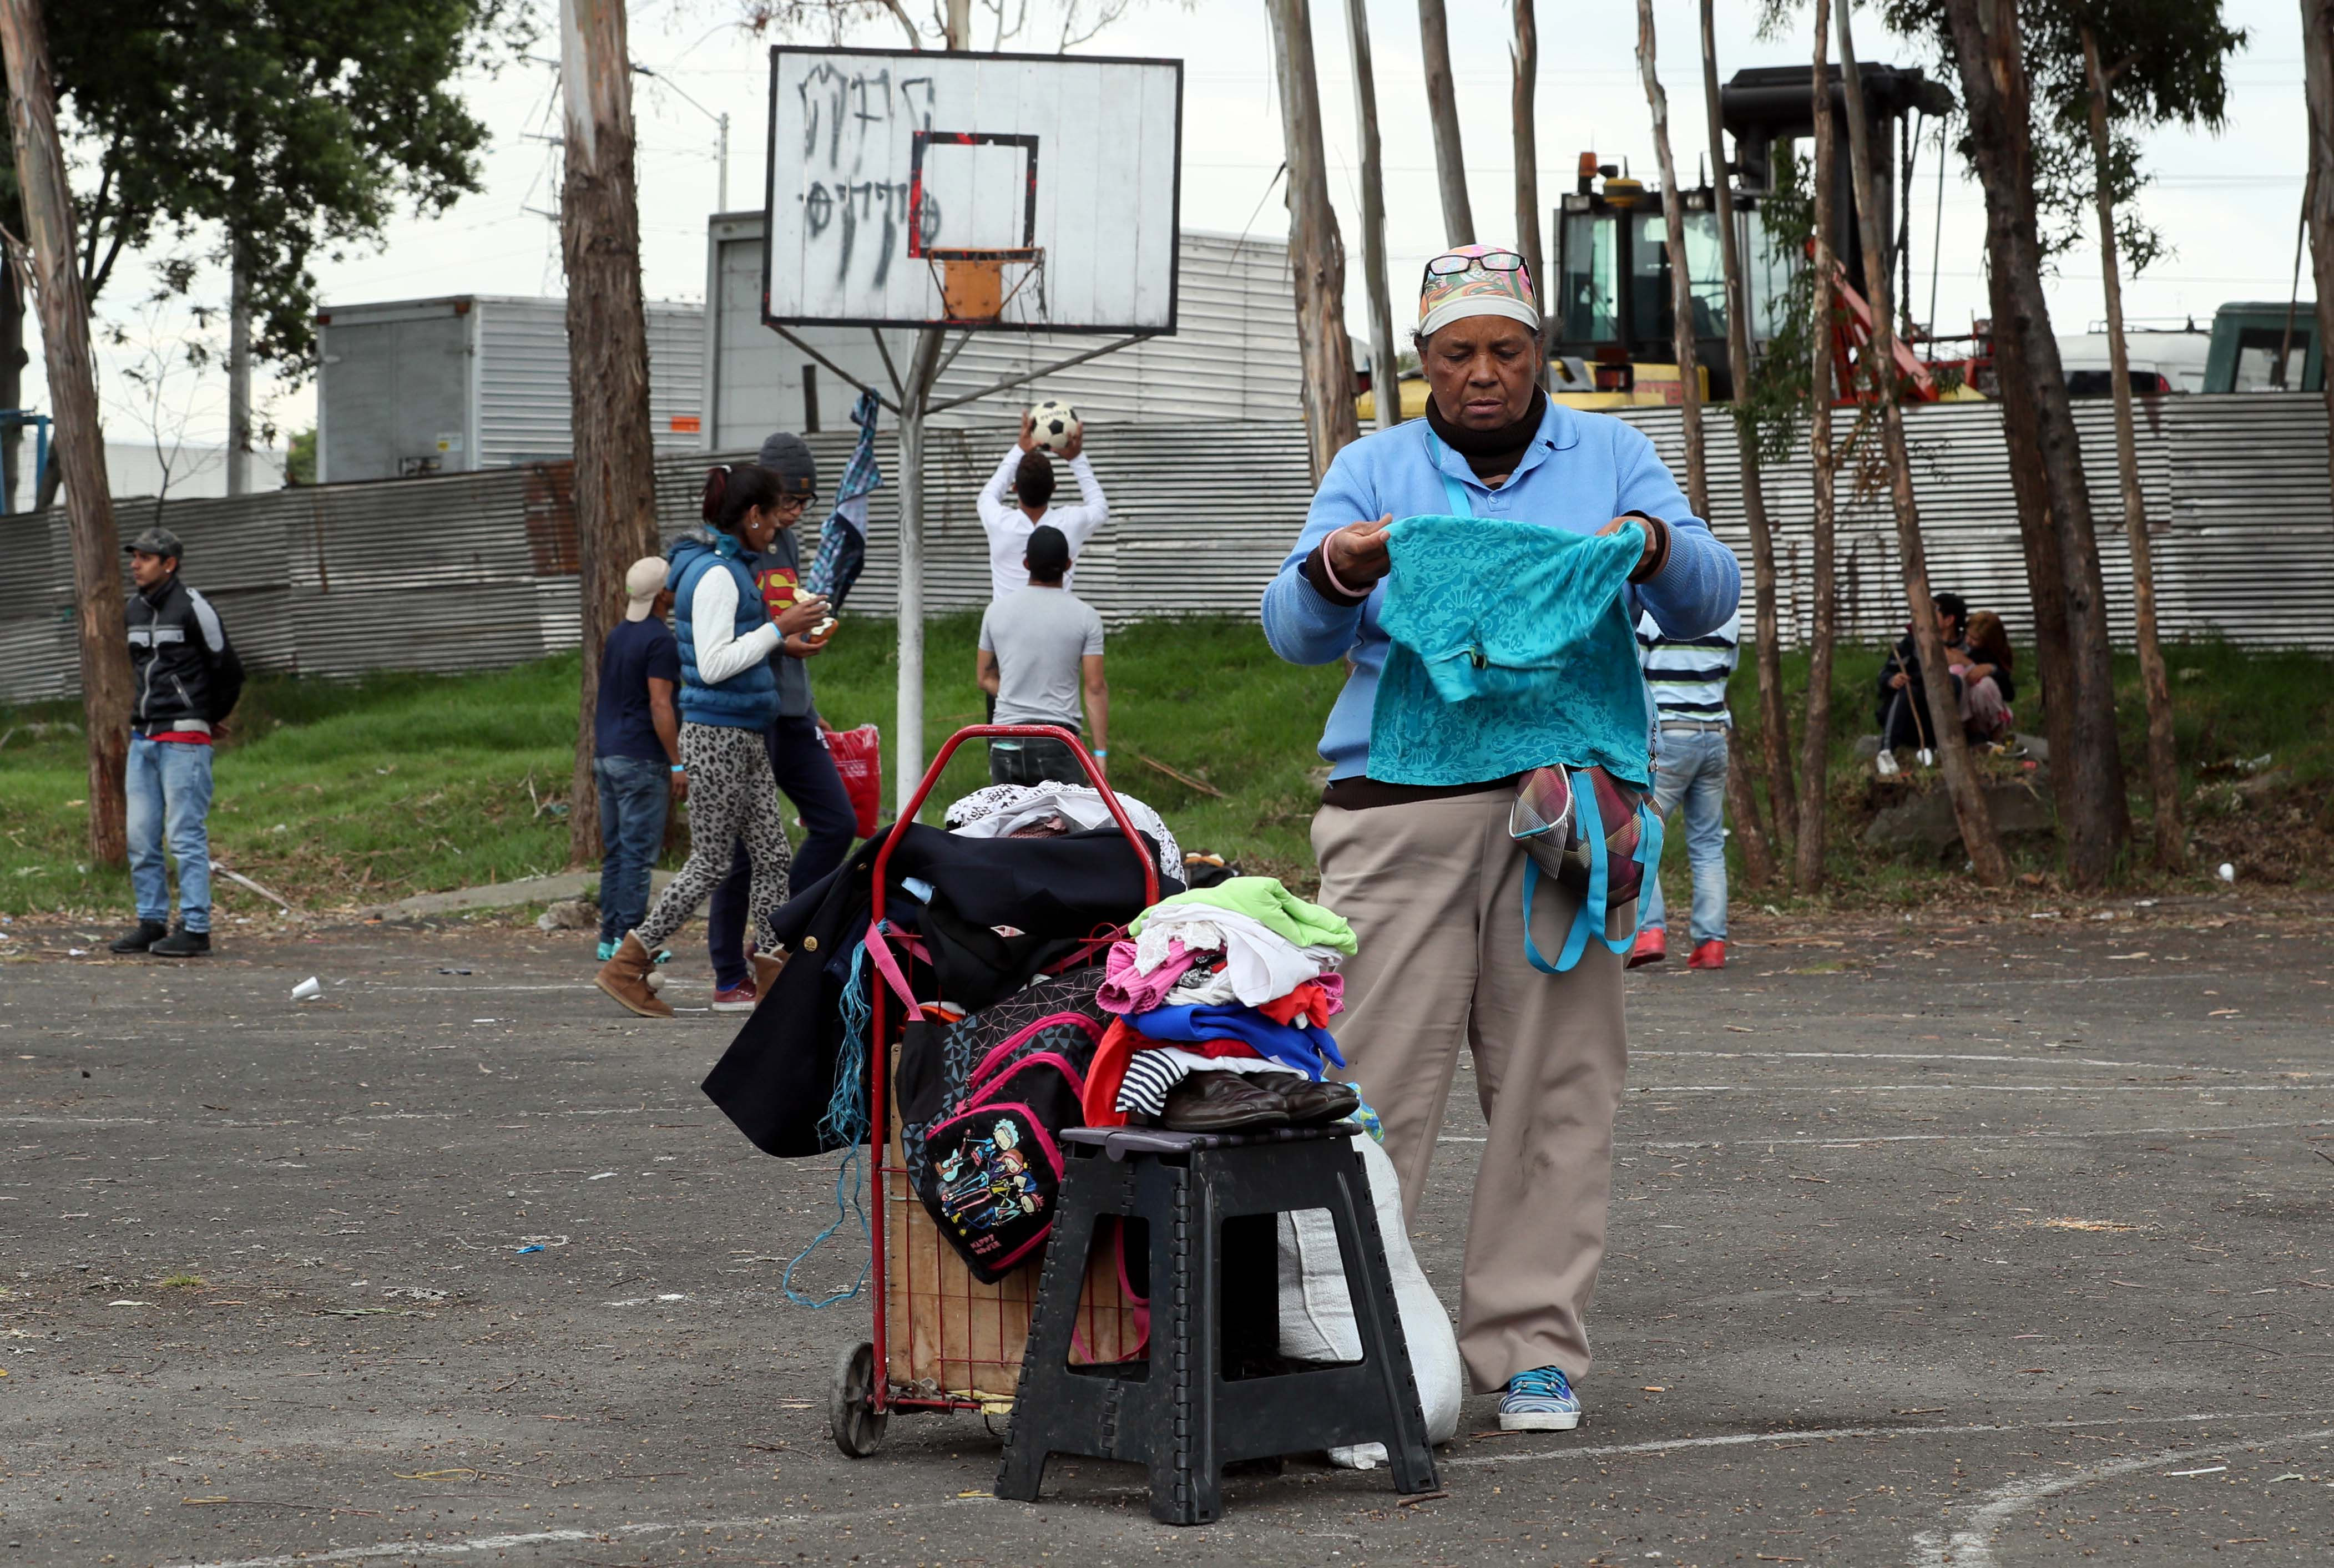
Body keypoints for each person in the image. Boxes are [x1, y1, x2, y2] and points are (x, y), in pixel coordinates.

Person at [1260, 243, 1739, 1434]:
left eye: (1508, 351)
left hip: (1565, 812)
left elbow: (1712, 593)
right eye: (1459, 352)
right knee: (1365, 1090)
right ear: (1422, 361)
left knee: (1557, 1084)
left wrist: (1658, 545)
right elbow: (1289, 631)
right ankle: (1347, 1350)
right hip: (1397, 807)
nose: (1484, 374)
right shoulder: (1374, 467)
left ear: (1541, 355)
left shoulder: (1614, 457)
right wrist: (1338, 567)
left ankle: (1531, 1350)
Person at [593, 464, 830, 1019]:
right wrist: (779, 628)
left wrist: (779, 641)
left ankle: (773, 970)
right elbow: (717, 663)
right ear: (752, 516)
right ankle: (629, 962)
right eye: (773, 516)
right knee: (710, 863)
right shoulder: (719, 575)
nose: (778, 528)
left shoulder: (724, 568)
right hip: (717, 736)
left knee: (773, 855)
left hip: (739, 731)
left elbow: (729, 650)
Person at [702, 431, 857, 1014]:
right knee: (742, 850)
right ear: (757, 502)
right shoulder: (728, 557)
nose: (794, 514)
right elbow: (730, 643)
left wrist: (803, 639)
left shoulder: (785, 541)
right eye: (788, 501)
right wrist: (780, 640)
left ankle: (775, 931)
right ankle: (728, 972)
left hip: (793, 711)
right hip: (751, 715)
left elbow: (782, 613)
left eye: (803, 503)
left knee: (837, 822)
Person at [109, 525, 244, 958]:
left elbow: (228, 669)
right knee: (141, 837)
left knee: (184, 835)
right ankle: (151, 922)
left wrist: (208, 718)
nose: (135, 564)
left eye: (145, 558)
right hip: (143, 737)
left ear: (170, 564)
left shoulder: (193, 607)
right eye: (134, 557)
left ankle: (197, 927)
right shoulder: (132, 610)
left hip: (184, 739)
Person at [1630, 606, 1739, 971]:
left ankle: (1650, 930)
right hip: (1715, 738)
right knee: (1708, 844)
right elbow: (1726, 672)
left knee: (1642, 833)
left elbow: (1634, 672)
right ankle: (1711, 943)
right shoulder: (1729, 614)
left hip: (1670, 738)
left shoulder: (1654, 613)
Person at [593, 557, 685, 964]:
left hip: (607, 755)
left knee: (617, 851)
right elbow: (660, 704)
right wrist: (678, 763)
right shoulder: (660, 641)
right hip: (641, 758)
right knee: (637, 856)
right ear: (663, 595)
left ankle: (608, 935)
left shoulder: (618, 635)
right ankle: (629, 943)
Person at [975, 524, 1108, 787]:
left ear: (1026, 564)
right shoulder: (1086, 617)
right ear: (1069, 564)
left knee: (1006, 827)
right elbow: (1095, 688)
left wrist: (1016, 692)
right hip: (1059, 740)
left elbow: (984, 677)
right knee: (1065, 827)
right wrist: (1100, 754)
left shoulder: (995, 612)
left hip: (1005, 739)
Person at [977, 409, 1108, 604]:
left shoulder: (999, 522)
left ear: (1014, 488)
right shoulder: (1070, 523)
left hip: (1007, 629)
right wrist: (1077, 458)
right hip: (1055, 628)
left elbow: (988, 495)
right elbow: (1100, 507)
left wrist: (1020, 448)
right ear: (1054, 488)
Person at [1955, 609, 2017, 743]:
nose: (1968, 641)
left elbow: (2010, 694)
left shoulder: (1993, 657)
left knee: (1984, 685)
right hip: (1966, 713)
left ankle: (1997, 732)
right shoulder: (1959, 644)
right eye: (1968, 635)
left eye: (1975, 639)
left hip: (1987, 713)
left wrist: (1992, 669)